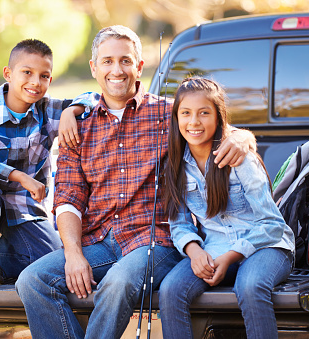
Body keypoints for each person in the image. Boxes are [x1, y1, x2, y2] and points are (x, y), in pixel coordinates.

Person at [15, 26, 256, 339]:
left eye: (126, 61)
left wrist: (243, 138)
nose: (117, 70)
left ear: (140, 67)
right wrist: (74, 254)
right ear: (94, 68)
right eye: (107, 62)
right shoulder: (79, 127)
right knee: (32, 281)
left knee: (117, 283)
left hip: (156, 240)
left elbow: (223, 128)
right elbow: (68, 198)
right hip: (99, 241)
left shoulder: (169, 113)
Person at [0, 39, 98, 286]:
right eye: (27, 72)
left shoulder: (50, 110)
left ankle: (2, 260)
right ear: (8, 73)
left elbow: (96, 99)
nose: (35, 82)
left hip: (26, 211)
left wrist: (70, 111)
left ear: (50, 81)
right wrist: (18, 176)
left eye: (44, 76)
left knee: (54, 268)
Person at [159, 77, 295, 339]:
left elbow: (272, 224)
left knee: (250, 286)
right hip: (214, 249)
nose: (194, 122)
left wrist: (230, 256)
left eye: (204, 113)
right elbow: (180, 224)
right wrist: (195, 251)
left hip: (267, 247)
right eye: (185, 113)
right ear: (176, 118)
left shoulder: (238, 156)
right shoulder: (175, 165)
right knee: (171, 290)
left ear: (219, 118)